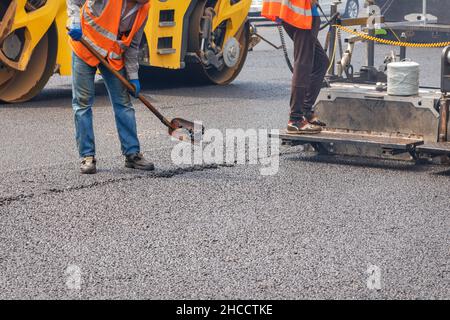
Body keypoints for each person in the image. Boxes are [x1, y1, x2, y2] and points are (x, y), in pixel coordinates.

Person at [67, 0, 155, 174]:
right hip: (85, 47)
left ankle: (132, 154)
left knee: (124, 104)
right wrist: (74, 21)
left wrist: (133, 77)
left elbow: (133, 46)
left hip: (112, 57)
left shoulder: (144, 9)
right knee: (82, 103)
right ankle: (87, 156)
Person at [262, 0, 329, 134]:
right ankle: (295, 119)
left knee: (320, 62)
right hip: (302, 13)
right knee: (304, 63)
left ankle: (304, 111)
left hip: (300, 12)